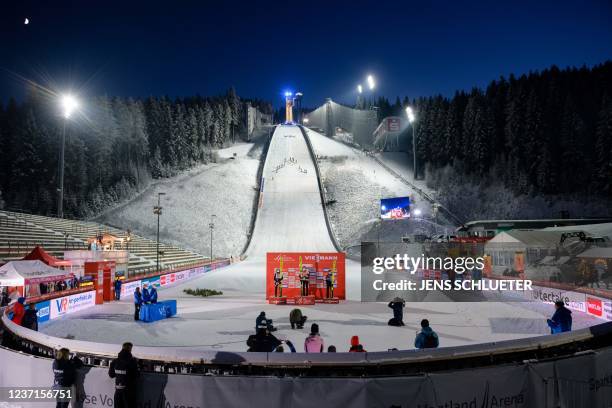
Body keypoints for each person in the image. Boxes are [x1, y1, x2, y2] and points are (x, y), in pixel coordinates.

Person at [109, 342, 139, 408]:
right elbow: (136, 376)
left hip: (118, 392)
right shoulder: (132, 361)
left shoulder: (115, 361)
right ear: (130, 349)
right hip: (128, 392)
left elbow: (111, 375)